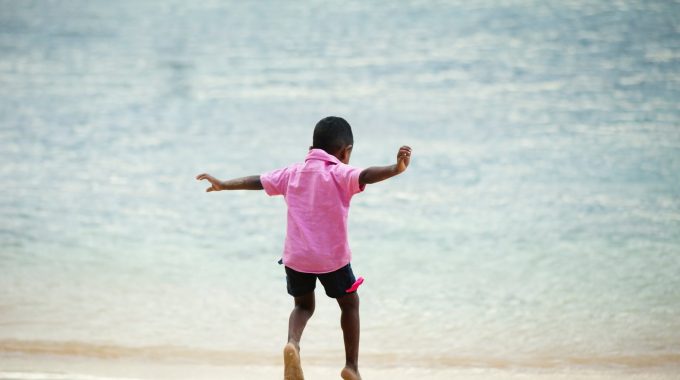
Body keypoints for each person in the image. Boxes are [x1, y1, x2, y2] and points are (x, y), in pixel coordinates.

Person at [196, 116, 412, 380]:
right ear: (345, 152)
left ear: (313, 146)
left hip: (297, 259)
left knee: (303, 307)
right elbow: (366, 175)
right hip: (333, 260)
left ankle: (293, 343)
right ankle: (351, 367)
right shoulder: (340, 173)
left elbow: (259, 181)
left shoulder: (292, 172)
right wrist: (396, 168)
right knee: (349, 304)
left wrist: (224, 184)